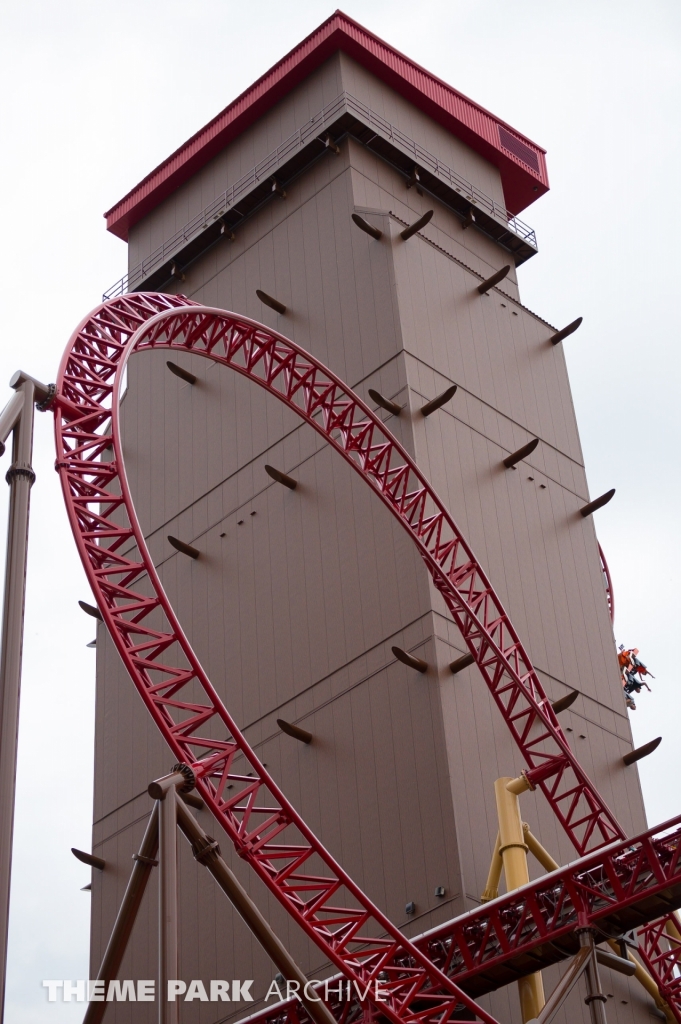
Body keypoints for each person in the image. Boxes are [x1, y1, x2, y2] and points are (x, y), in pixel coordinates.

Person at [618, 646, 653, 710]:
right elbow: (644, 683)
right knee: (630, 677)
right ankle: (626, 663)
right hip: (629, 676)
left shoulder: (632, 689)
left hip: (627, 679)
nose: (637, 690)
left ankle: (623, 670)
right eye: (638, 690)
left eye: (637, 691)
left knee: (628, 683)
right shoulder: (638, 684)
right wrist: (648, 688)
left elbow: (628, 692)